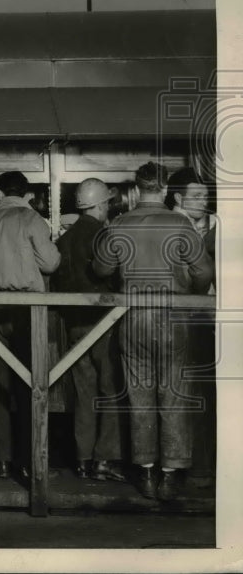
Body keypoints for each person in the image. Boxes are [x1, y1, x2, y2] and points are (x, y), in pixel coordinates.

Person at [94, 162, 214, 500]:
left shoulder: (119, 223)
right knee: (173, 394)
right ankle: (170, 475)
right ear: (163, 189)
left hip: (134, 317)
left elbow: (101, 268)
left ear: (138, 189)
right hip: (174, 316)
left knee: (139, 394)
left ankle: (146, 473)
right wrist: (190, 295)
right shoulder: (181, 224)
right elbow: (203, 271)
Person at [0, 170, 60, 482]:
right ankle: (29, 461)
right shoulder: (32, 220)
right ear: (25, 194)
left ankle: (2, 460)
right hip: (27, 311)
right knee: (29, 386)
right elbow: (51, 263)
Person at [52, 178, 125, 483]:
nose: (108, 207)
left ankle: (82, 460)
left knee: (84, 394)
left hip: (74, 326)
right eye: (106, 202)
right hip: (103, 324)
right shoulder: (103, 235)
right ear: (99, 205)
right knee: (110, 391)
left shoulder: (65, 239)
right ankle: (104, 460)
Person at [166, 167, 217, 489]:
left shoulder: (207, 226)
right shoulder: (178, 226)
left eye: (206, 196)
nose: (203, 201)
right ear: (178, 197)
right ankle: (193, 469)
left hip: (198, 320)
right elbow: (200, 274)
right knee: (191, 395)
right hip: (186, 318)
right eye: (196, 196)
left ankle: (195, 467)